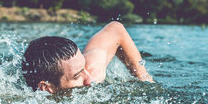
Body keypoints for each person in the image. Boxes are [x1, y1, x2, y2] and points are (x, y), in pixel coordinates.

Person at [22, 21, 153, 93]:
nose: (90, 80)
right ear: (46, 88)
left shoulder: (92, 71)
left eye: (83, 66)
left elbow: (115, 29)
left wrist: (145, 81)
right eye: (77, 76)